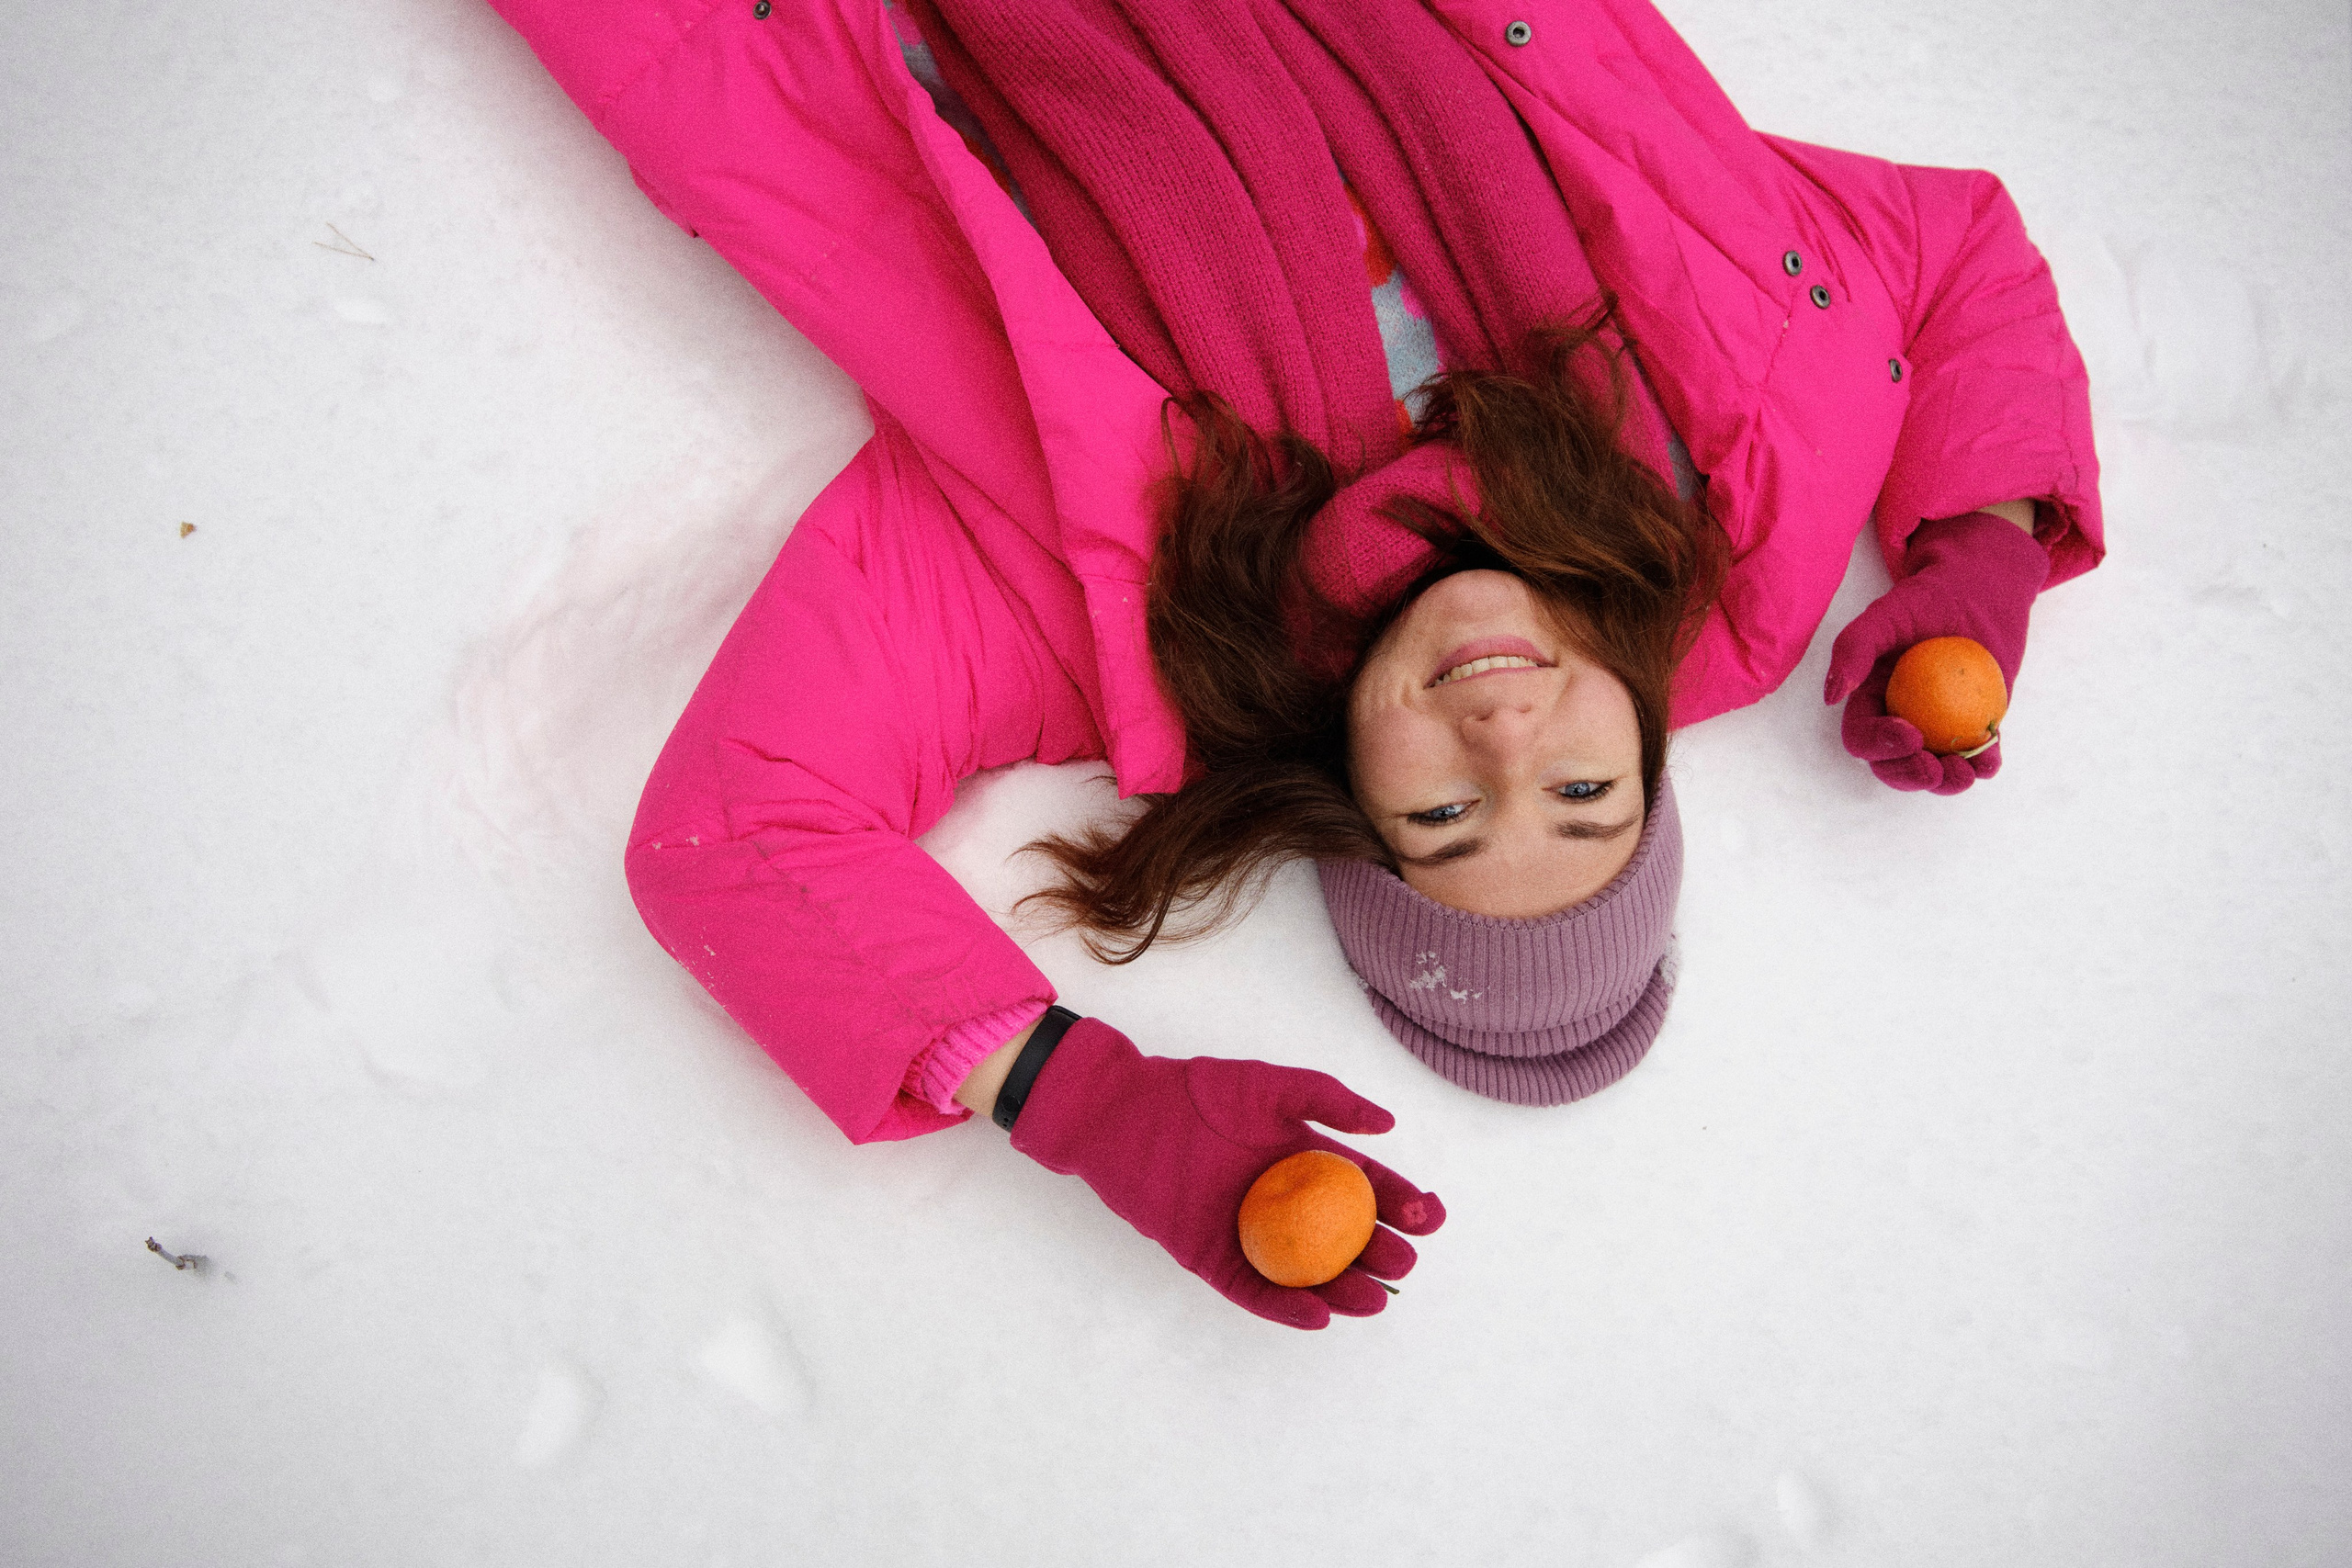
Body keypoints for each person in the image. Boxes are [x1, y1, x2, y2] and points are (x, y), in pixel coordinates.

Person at [487, 0, 2104, 1328]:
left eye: (1447, 821)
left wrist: (1087, 1103)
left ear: (1345, 802)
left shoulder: (1092, 612)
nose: (1503, 733)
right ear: (1645, 730)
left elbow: (738, 832)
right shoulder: (1737, 413)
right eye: (1582, 792)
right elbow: (1952, 252)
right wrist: (1983, 554)